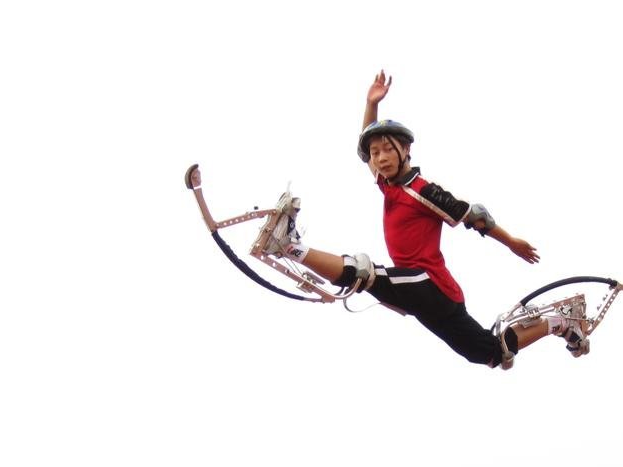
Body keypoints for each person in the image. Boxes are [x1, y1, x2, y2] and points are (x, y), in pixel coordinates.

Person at [250, 71, 588, 372]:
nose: (379, 159)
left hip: (429, 284)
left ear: (405, 151)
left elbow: (475, 216)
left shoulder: (421, 191)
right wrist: (371, 105)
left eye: (386, 151)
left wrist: (511, 241)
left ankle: (291, 246)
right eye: (376, 153)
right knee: (489, 353)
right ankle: (559, 322)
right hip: (434, 301)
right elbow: (364, 149)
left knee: (366, 276)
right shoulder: (389, 182)